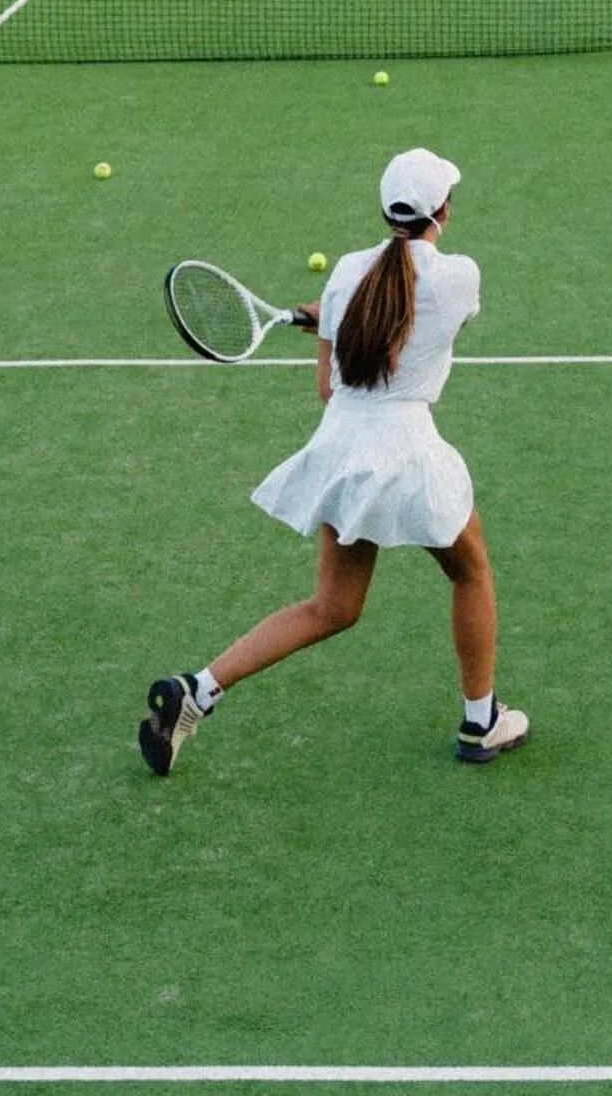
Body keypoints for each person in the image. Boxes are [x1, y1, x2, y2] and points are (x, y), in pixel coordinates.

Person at [137, 148, 528, 773]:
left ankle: (197, 690)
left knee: (333, 608)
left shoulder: (347, 273)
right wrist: (344, 323)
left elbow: (331, 386)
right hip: (407, 457)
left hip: (344, 454)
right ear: (443, 211)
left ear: (385, 210)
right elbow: (420, 315)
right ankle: (482, 721)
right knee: (470, 572)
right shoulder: (459, 277)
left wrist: (334, 322)